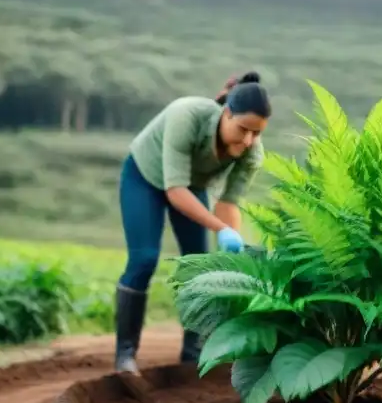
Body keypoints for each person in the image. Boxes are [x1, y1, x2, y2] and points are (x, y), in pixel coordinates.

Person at [114, 72, 271, 374]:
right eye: (243, 129)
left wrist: (231, 251)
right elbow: (175, 191)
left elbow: (227, 203)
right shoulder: (186, 115)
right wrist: (220, 229)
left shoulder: (252, 153)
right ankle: (125, 355)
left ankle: (193, 355)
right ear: (227, 114)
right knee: (144, 259)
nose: (248, 139)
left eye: (257, 133)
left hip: (192, 186)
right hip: (144, 178)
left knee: (201, 267)